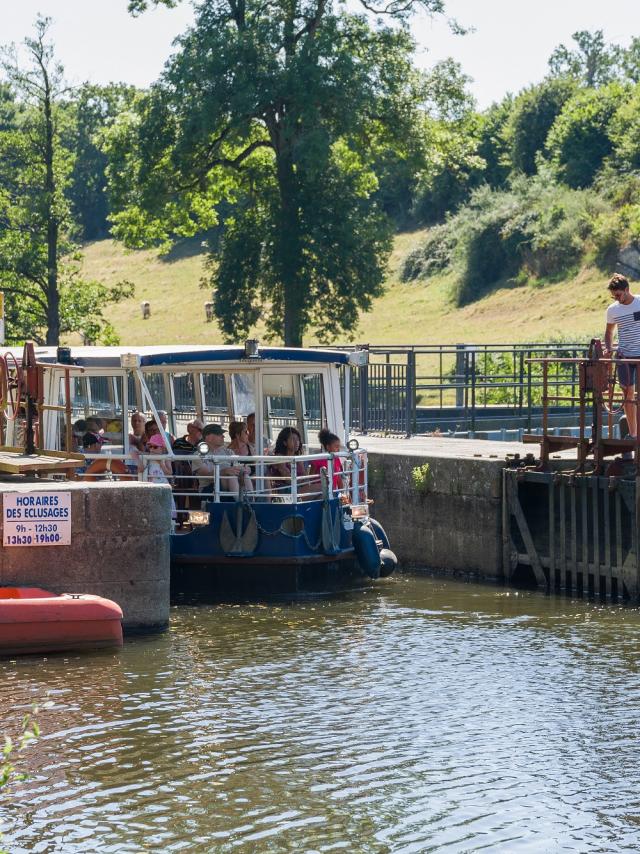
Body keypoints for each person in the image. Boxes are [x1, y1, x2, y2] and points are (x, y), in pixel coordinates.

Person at [604, 273, 640, 438]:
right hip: (624, 356)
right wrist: (609, 349)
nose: (616, 298)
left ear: (627, 289)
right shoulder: (613, 310)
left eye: (618, 295)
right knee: (627, 393)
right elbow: (609, 332)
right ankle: (634, 433)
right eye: (613, 295)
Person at [194, 424, 252, 498]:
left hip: (229, 486)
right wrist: (224, 471)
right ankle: (241, 504)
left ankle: (251, 501)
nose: (223, 436)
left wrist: (245, 469)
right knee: (231, 477)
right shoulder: (198, 455)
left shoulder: (228, 452)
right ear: (209, 438)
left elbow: (236, 467)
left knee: (244, 475)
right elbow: (206, 475)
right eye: (219, 434)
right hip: (209, 489)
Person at [142, 433, 177, 520]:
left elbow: (170, 473)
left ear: (162, 448)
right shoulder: (148, 458)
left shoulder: (165, 458)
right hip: (151, 485)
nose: (152, 449)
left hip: (163, 485)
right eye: (150, 447)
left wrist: (161, 464)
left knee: (164, 506)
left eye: (155, 447)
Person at [267, 427, 307, 495]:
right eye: (293, 439)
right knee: (320, 489)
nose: (296, 442)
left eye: (297, 439)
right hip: (285, 490)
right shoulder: (279, 457)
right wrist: (302, 481)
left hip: (298, 488)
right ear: (285, 442)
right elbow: (289, 480)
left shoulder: (297, 457)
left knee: (322, 490)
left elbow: (305, 476)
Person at [309, 427, 345, 493]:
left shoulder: (337, 459)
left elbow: (338, 478)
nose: (338, 449)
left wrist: (342, 493)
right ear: (328, 447)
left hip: (333, 492)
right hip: (319, 493)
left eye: (339, 447)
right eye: (336, 447)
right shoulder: (318, 459)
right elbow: (311, 478)